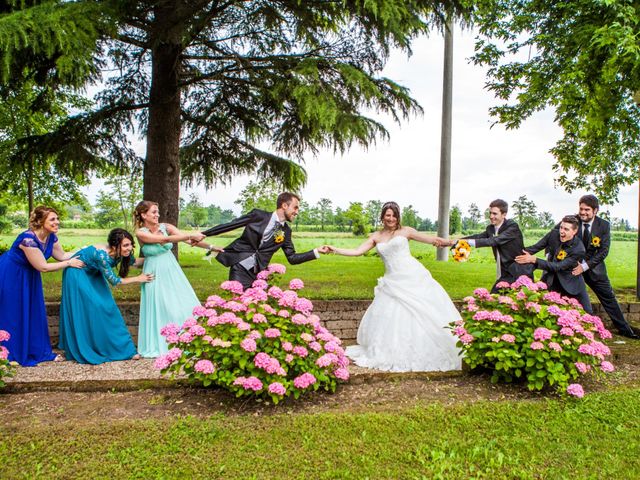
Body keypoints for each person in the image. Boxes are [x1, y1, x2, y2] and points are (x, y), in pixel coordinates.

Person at [327, 201, 461, 372]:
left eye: (394, 215)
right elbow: (357, 251)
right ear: (382, 217)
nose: (390, 218)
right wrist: (334, 249)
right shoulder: (376, 236)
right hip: (392, 281)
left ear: (398, 216)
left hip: (412, 276)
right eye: (387, 215)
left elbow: (433, 240)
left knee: (424, 311)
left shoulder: (406, 231)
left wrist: (452, 243)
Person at [134, 200, 221, 357]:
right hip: (153, 272)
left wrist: (211, 247)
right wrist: (189, 234)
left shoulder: (167, 227)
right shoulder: (141, 233)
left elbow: (188, 240)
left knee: (181, 302)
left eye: (157, 212)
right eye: (154, 212)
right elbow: (164, 240)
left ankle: (189, 339)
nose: (157, 215)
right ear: (143, 214)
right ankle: (159, 343)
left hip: (171, 270)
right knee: (159, 305)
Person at [0, 206, 84, 366]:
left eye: (57, 218)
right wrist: (69, 264)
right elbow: (43, 267)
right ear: (40, 221)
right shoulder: (28, 239)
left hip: (29, 277)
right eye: (52, 219)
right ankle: (9, 352)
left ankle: (35, 350)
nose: (57, 222)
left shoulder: (51, 237)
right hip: (12, 275)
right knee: (12, 311)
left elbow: (62, 255)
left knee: (32, 311)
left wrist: (85, 250)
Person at [58, 228, 153, 364]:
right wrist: (139, 278)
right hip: (77, 273)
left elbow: (135, 262)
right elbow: (114, 281)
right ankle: (93, 347)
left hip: (93, 273)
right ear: (115, 246)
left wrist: (156, 256)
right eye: (125, 245)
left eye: (130, 244)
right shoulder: (102, 255)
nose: (129, 248)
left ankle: (124, 350)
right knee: (98, 307)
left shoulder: (122, 253)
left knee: (109, 307)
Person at [200, 192, 330, 289]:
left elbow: (292, 258)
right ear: (284, 205)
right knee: (238, 306)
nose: (297, 212)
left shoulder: (286, 232)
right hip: (240, 266)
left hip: (260, 274)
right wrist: (204, 234)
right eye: (295, 208)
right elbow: (231, 225)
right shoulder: (258, 215)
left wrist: (316, 251)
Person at [572, 195, 638, 339]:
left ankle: (625, 330)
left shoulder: (604, 225)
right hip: (572, 268)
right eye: (581, 209)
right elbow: (554, 236)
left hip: (595, 269)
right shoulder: (571, 220)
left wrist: (585, 266)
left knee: (609, 299)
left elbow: (604, 251)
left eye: (587, 210)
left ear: (595, 211)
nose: (582, 212)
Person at [515, 215, 592, 313]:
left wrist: (534, 260)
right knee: (542, 309)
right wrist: (514, 252)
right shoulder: (553, 235)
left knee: (588, 313)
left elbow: (558, 267)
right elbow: (535, 248)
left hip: (570, 283)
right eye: (561, 227)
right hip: (551, 280)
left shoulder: (579, 249)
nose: (561, 231)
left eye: (566, 229)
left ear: (574, 231)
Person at [457, 199, 533, 292]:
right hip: (504, 272)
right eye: (490, 213)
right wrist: (456, 241)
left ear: (504, 214)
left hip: (519, 272)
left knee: (501, 299)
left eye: (495, 214)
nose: (491, 216)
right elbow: (478, 237)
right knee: (496, 299)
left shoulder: (512, 227)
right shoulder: (491, 228)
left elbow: (494, 241)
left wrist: (465, 242)